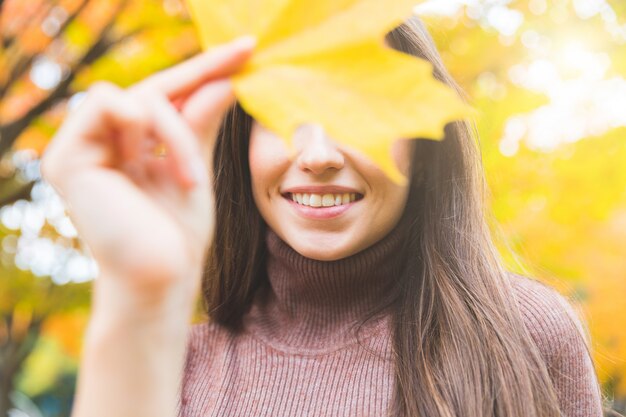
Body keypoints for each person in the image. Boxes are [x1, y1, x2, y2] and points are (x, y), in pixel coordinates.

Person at [41, 15, 605, 417]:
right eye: (284, 117)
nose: (317, 155)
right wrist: (140, 295)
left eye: (355, 114)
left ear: (423, 144)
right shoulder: (173, 363)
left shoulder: (525, 334)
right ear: (240, 143)